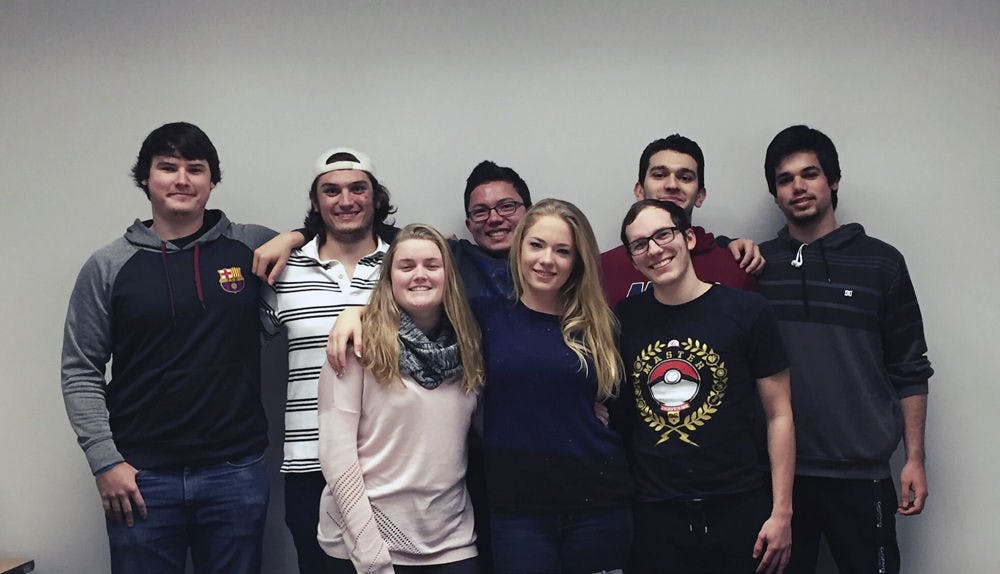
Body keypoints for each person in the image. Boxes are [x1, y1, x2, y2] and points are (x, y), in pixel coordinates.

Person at [61, 122, 276, 573]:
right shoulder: (108, 265)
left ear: (212, 181)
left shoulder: (251, 246)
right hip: (140, 478)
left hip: (235, 472)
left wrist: (294, 237)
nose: (182, 179)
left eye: (195, 169)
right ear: (146, 178)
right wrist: (106, 462)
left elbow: (331, 244)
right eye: (167, 167)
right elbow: (80, 370)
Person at [757, 125, 932, 573]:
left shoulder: (882, 263)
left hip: (861, 472)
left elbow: (910, 366)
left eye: (809, 174)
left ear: (832, 181)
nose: (797, 187)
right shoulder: (757, 268)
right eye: (784, 179)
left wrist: (914, 459)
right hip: (778, 478)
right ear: (775, 194)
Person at [616, 199, 794, 573]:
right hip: (655, 515)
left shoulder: (749, 312)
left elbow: (779, 415)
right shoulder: (622, 320)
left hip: (739, 505)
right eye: (640, 244)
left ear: (689, 238)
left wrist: (782, 513)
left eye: (663, 234)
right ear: (633, 260)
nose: (655, 249)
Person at [472, 198, 633, 573]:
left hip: (599, 505)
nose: (547, 260)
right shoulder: (485, 316)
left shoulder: (600, 325)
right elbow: (414, 303)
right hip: (517, 511)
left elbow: (624, 409)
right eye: (537, 245)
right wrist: (357, 313)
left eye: (563, 251)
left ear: (577, 261)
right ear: (519, 247)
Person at [259, 147, 398, 573]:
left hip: (390, 459)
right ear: (316, 202)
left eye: (358, 188)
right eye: (331, 191)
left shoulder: (406, 263)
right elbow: (234, 347)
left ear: (376, 198)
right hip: (308, 461)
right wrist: (293, 237)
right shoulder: (284, 269)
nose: (346, 200)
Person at [316, 224, 484, 574]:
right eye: (406, 266)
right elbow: (337, 456)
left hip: (452, 538)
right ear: (388, 278)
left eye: (431, 265)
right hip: (366, 541)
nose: (419, 275)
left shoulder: (469, 347)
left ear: (448, 276)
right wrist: (371, 554)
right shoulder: (356, 346)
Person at [601, 134, 763, 308]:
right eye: (659, 175)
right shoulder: (603, 268)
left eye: (685, 177)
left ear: (700, 196)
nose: (672, 185)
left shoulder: (736, 266)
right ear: (639, 191)